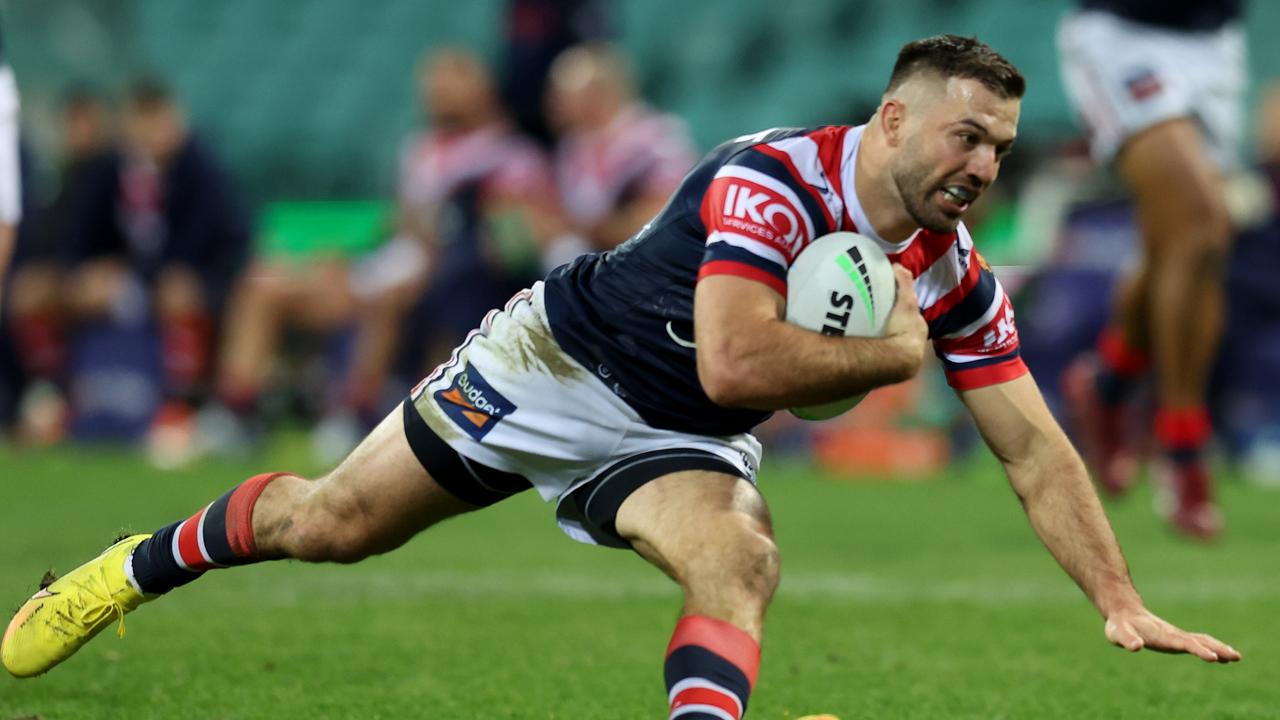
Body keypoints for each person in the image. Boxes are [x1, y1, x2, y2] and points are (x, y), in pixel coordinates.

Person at [2, 36, 1240, 717]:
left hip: (675, 436)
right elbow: (738, 354)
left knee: (740, 557)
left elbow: (1031, 446)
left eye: (1003, 148)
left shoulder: (952, 268)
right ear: (894, 120)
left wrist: (1115, 599)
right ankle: (129, 569)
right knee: (328, 527)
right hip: (549, 363)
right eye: (966, 135)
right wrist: (892, 353)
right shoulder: (769, 179)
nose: (984, 164)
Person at [1057, 0, 1245, 538]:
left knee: (1187, 244)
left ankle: (1109, 384)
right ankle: (1183, 444)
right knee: (1203, 220)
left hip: (1215, 44)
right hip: (1123, 35)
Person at [543, 42, 697, 265]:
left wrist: (603, 227)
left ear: (599, 92)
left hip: (650, 259)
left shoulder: (656, 136)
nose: (555, 104)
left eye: (564, 94)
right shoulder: (571, 148)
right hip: (593, 263)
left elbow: (670, 210)